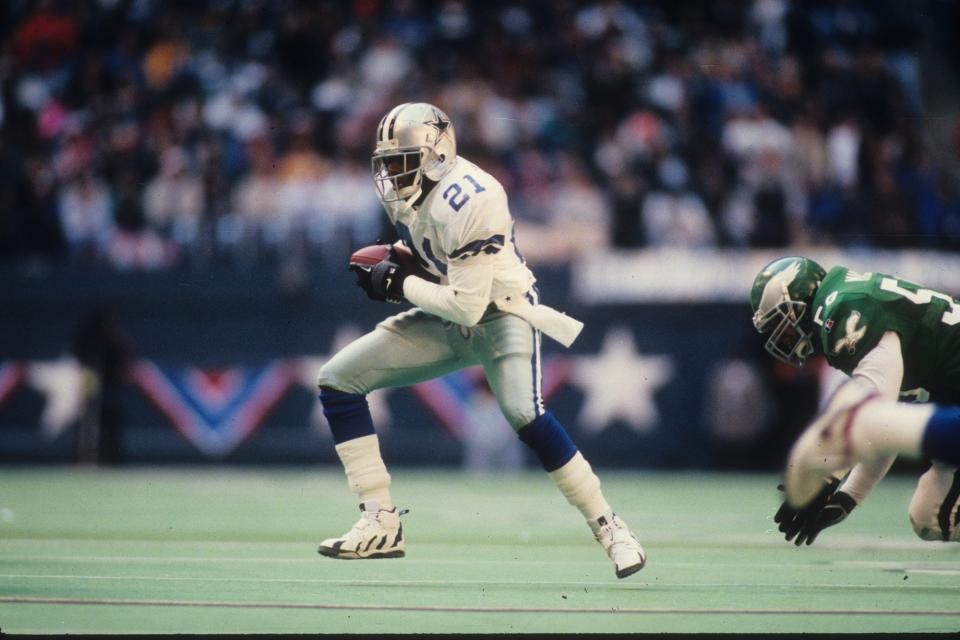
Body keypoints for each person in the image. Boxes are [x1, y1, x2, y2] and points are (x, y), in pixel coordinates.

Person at [314, 102, 646, 578]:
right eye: (386, 161)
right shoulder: (406, 193)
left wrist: (399, 283)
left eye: (401, 159)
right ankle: (380, 521)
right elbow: (437, 260)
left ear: (436, 155)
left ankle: (611, 526)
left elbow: (468, 306)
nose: (390, 171)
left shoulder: (475, 197)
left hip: (500, 312)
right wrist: (402, 261)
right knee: (338, 379)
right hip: (448, 306)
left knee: (525, 414)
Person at [749, 256, 960, 544]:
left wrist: (827, 476)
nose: (783, 338)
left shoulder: (841, 309)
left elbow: (876, 419)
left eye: (781, 325)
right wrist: (849, 496)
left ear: (799, 301)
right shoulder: (847, 297)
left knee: (932, 513)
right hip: (952, 394)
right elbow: (890, 422)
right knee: (928, 513)